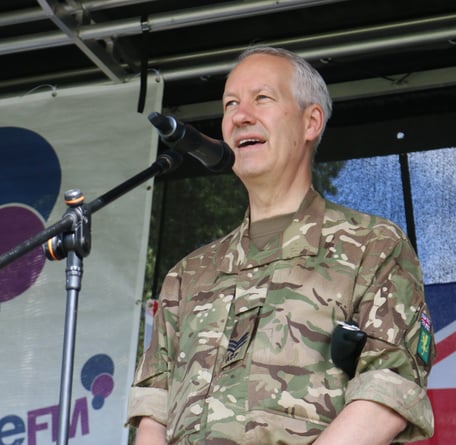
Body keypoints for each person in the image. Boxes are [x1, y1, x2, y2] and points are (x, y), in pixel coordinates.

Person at [127, 46, 435, 445]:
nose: (240, 116)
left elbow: (388, 392)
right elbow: (154, 411)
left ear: (311, 122)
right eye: (230, 104)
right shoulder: (187, 275)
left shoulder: (372, 247)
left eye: (262, 98)